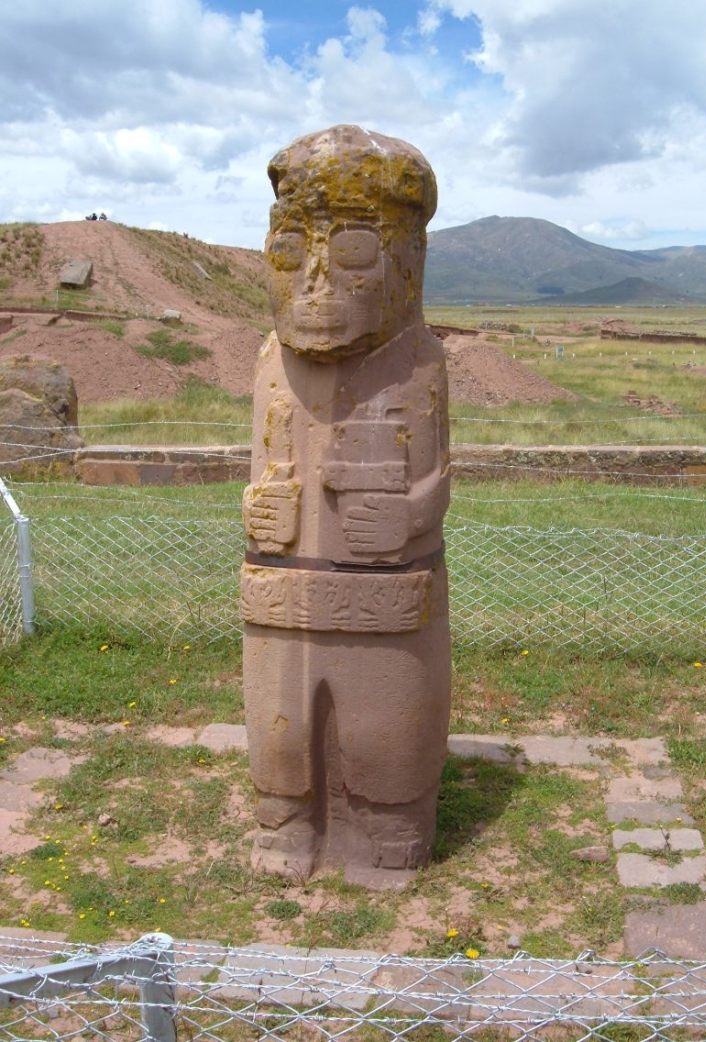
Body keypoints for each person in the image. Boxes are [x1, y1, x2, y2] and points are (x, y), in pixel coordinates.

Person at [241, 124, 451, 887]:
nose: (316, 283)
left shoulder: (419, 364)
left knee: (381, 718)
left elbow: (437, 481)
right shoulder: (270, 363)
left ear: (406, 263)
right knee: (282, 718)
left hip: (384, 597)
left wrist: (412, 515)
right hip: (282, 592)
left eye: (355, 252)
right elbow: (261, 468)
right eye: (292, 252)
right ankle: (285, 814)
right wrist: (257, 507)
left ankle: (390, 819)